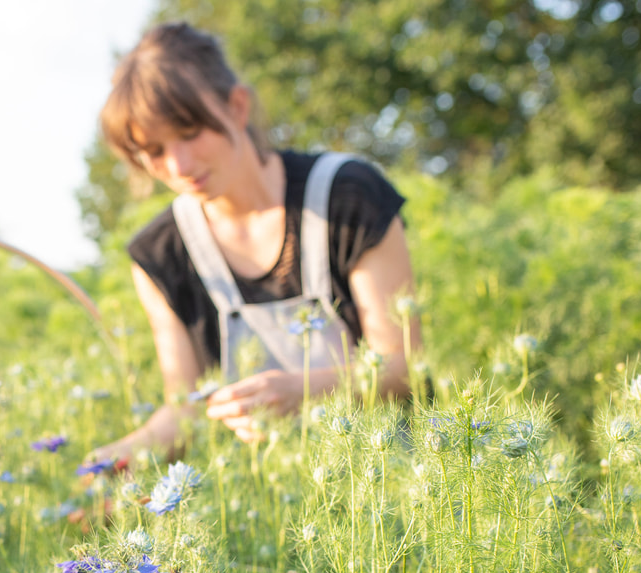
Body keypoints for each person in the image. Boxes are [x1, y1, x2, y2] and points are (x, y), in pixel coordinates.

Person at [87, 22, 420, 468]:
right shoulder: (158, 253)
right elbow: (184, 408)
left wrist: (302, 389)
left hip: (388, 486)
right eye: (154, 151)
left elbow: (401, 367)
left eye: (189, 133)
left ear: (237, 106)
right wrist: (117, 459)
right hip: (267, 501)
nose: (179, 165)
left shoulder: (347, 196)